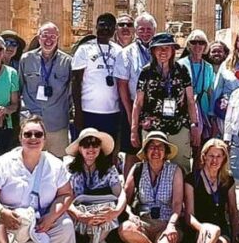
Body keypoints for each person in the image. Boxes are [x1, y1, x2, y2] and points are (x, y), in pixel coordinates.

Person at [117, 131, 185, 243]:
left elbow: (177, 204)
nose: (156, 151)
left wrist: (171, 225)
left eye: (160, 147)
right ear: (146, 151)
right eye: (152, 147)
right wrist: (130, 214)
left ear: (166, 152)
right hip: (144, 222)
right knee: (125, 229)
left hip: (167, 222)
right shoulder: (138, 168)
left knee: (168, 237)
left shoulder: (175, 170)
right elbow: (124, 197)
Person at [130, 32, 200, 170]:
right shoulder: (146, 72)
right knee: (152, 167)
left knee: (182, 167)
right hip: (152, 127)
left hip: (178, 126)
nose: (163, 51)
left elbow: (190, 100)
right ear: (153, 51)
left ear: (173, 51)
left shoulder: (182, 70)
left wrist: (194, 125)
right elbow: (138, 103)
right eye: (159, 48)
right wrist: (133, 130)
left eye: (167, 48)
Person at [180, 138, 239, 243]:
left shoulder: (228, 180)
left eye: (218, 156)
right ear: (204, 156)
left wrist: (234, 237)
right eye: (211, 156)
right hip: (198, 227)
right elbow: (189, 215)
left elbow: (233, 210)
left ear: (224, 158)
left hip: (220, 225)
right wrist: (201, 228)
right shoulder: (192, 179)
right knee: (212, 230)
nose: (215, 160)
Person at [64, 128, 122, 243]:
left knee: (106, 210)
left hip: (105, 209)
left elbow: (119, 195)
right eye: (86, 145)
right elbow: (66, 197)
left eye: (95, 145)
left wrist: (115, 211)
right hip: (81, 210)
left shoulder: (109, 169)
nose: (91, 149)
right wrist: (78, 213)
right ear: (80, 149)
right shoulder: (70, 170)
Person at [19, 22, 73, 156]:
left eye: (53, 37)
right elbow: (20, 87)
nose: (49, 40)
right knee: (31, 162)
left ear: (58, 38)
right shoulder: (26, 59)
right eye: (45, 36)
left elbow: (71, 92)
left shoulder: (67, 62)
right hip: (31, 122)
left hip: (57, 123)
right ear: (38, 38)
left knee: (56, 165)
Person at [72, 14, 124, 148]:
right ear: (96, 27)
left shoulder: (119, 51)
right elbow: (76, 81)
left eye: (109, 26)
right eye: (102, 25)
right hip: (88, 111)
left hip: (112, 112)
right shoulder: (84, 49)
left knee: (108, 150)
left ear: (114, 30)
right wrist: (77, 112)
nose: (105, 29)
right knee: (87, 151)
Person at [114, 12, 157, 172]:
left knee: (155, 150)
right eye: (141, 29)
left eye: (149, 29)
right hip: (133, 108)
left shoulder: (161, 51)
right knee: (132, 152)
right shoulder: (126, 53)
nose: (145, 32)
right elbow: (122, 86)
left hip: (156, 110)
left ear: (154, 30)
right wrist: (129, 111)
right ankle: (129, 191)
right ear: (136, 31)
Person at [179, 29, 215, 147]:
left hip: (203, 107)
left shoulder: (209, 68)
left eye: (201, 42)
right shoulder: (180, 64)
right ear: (189, 44)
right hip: (185, 108)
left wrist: (211, 113)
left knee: (201, 146)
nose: (198, 45)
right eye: (194, 42)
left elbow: (210, 91)